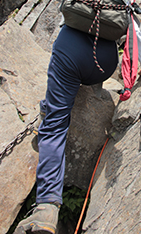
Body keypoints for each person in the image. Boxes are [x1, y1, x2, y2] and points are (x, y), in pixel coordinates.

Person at [14, 25, 119, 234]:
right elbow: (134, 29)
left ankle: (46, 208)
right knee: (78, 67)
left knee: (55, 125)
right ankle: (89, 87)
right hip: (105, 62)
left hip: (70, 52)